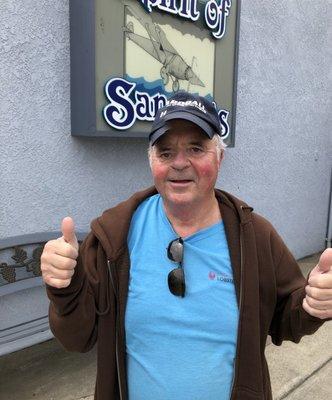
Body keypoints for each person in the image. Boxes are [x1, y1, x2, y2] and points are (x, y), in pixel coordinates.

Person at [41, 92, 332, 400]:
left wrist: (313, 304)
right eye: (165, 152)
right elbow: (77, 338)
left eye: (196, 148)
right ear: (152, 161)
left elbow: (286, 318)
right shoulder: (115, 238)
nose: (180, 163)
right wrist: (65, 287)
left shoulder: (255, 238)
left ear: (219, 158)